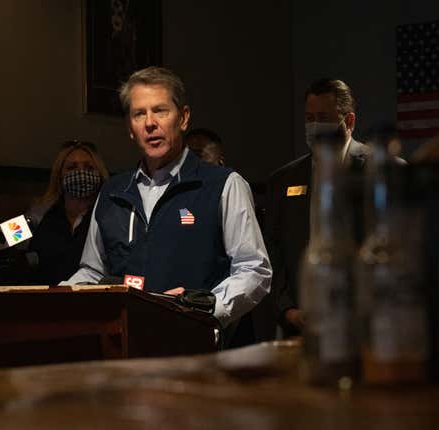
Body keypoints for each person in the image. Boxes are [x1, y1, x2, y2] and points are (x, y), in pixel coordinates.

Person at [64, 66, 271, 333]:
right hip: (128, 347)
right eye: (139, 114)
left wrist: (205, 309)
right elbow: (93, 273)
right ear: (130, 127)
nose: (150, 122)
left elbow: (254, 269)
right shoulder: (112, 192)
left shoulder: (223, 185)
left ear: (183, 118)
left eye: (160, 110)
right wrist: (59, 299)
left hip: (199, 346)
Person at [263, 78, 370, 338]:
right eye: (309, 118)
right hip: (301, 324)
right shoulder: (284, 180)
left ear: (349, 121)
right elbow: (272, 250)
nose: (314, 126)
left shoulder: (379, 169)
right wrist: (286, 309)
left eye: (323, 117)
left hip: (364, 323)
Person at [26, 141, 108, 286]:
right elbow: (3, 238)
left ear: (100, 174)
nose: (81, 173)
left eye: (89, 168)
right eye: (72, 167)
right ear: (59, 175)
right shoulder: (41, 215)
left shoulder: (107, 216)